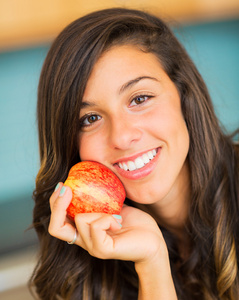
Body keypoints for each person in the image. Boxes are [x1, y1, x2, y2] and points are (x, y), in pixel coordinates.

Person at [29, 7, 239, 300]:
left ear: (184, 94)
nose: (123, 137)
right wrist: (152, 262)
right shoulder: (86, 267)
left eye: (140, 99)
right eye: (90, 119)